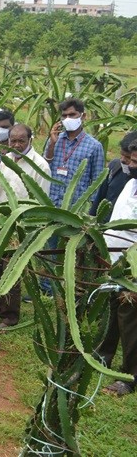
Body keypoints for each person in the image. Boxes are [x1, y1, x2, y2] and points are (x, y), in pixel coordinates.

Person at [0, 124, 51, 327]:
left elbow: (42, 200)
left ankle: (11, 316)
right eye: (12, 140)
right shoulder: (7, 159)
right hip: (1, 221)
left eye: (20, 141)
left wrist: (31, 228)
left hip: (22, 225)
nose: (16, 144)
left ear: (30, 139)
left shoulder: (40, 165)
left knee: (12, 270)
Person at [101, 139, 137, 397]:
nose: (128, 164)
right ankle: (104, 355)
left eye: (134, 161)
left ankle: (130, 375)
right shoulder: (131, 183)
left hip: (134, 267)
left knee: (130, 320)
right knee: (112, 311)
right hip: (115, 259)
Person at [44, 98, 105, 209]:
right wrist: (52, 144)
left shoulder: (94, 146)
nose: (68, 119)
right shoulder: (54, 139)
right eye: (64, 115)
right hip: (50, 203)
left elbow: (97, 181)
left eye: (72, 115)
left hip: (75, 207)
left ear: (83, 116)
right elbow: (44, 167)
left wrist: (89, 208)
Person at [92, 130, 137, 221]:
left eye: (128, 157)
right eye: (121, 155)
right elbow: (100, 197)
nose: (122, 160)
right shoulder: (115, 167)